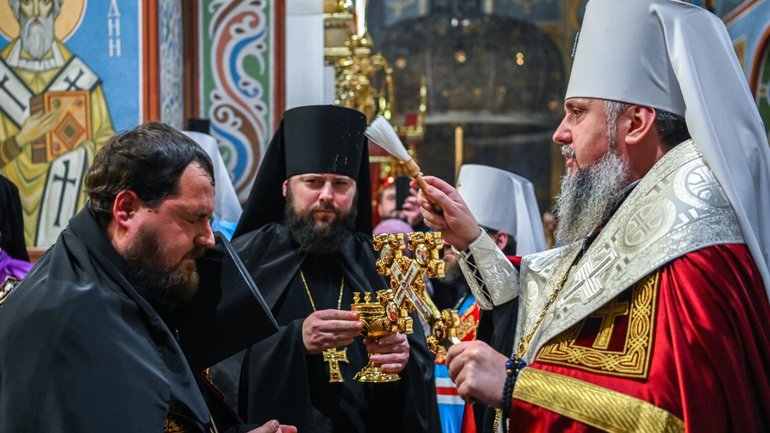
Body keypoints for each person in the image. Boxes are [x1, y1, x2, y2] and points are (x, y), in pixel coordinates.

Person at [417, 1, 770, 431]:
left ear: (636, 123)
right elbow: (549, 294)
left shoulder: (693, 250)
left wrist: (516, 389)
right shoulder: (633, 215)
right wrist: (472, 240)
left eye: (578, 112)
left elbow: (677, 415)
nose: (559, 133)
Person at [0, 122, 293, 433]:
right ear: (126, 210)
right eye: (193, 218)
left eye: (209, 220)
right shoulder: (64, 319)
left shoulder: (130, 279)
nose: (209, 238)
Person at [228, 105, 440, 433]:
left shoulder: (382, 265)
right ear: (286, 187)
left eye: (340, 184)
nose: (327, 196)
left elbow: (416, 367)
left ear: (356, 192)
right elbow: (218, 366)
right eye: (313, 182)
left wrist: (404, 359)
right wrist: (294, 341)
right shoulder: (246, 259)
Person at [433, 164, 545, 433]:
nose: (448, 245)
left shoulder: (522, 301)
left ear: (500, 239)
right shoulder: (465, 298)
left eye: (463, 235)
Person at [1, 0, 115, 247]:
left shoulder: (80, 78)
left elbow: (108, 145)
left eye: (44, 4)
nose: (36, 13)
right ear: (16, 10)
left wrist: (78, 154)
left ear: (56, 10)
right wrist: (21, 139)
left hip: (68, 188)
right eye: (27, 4)